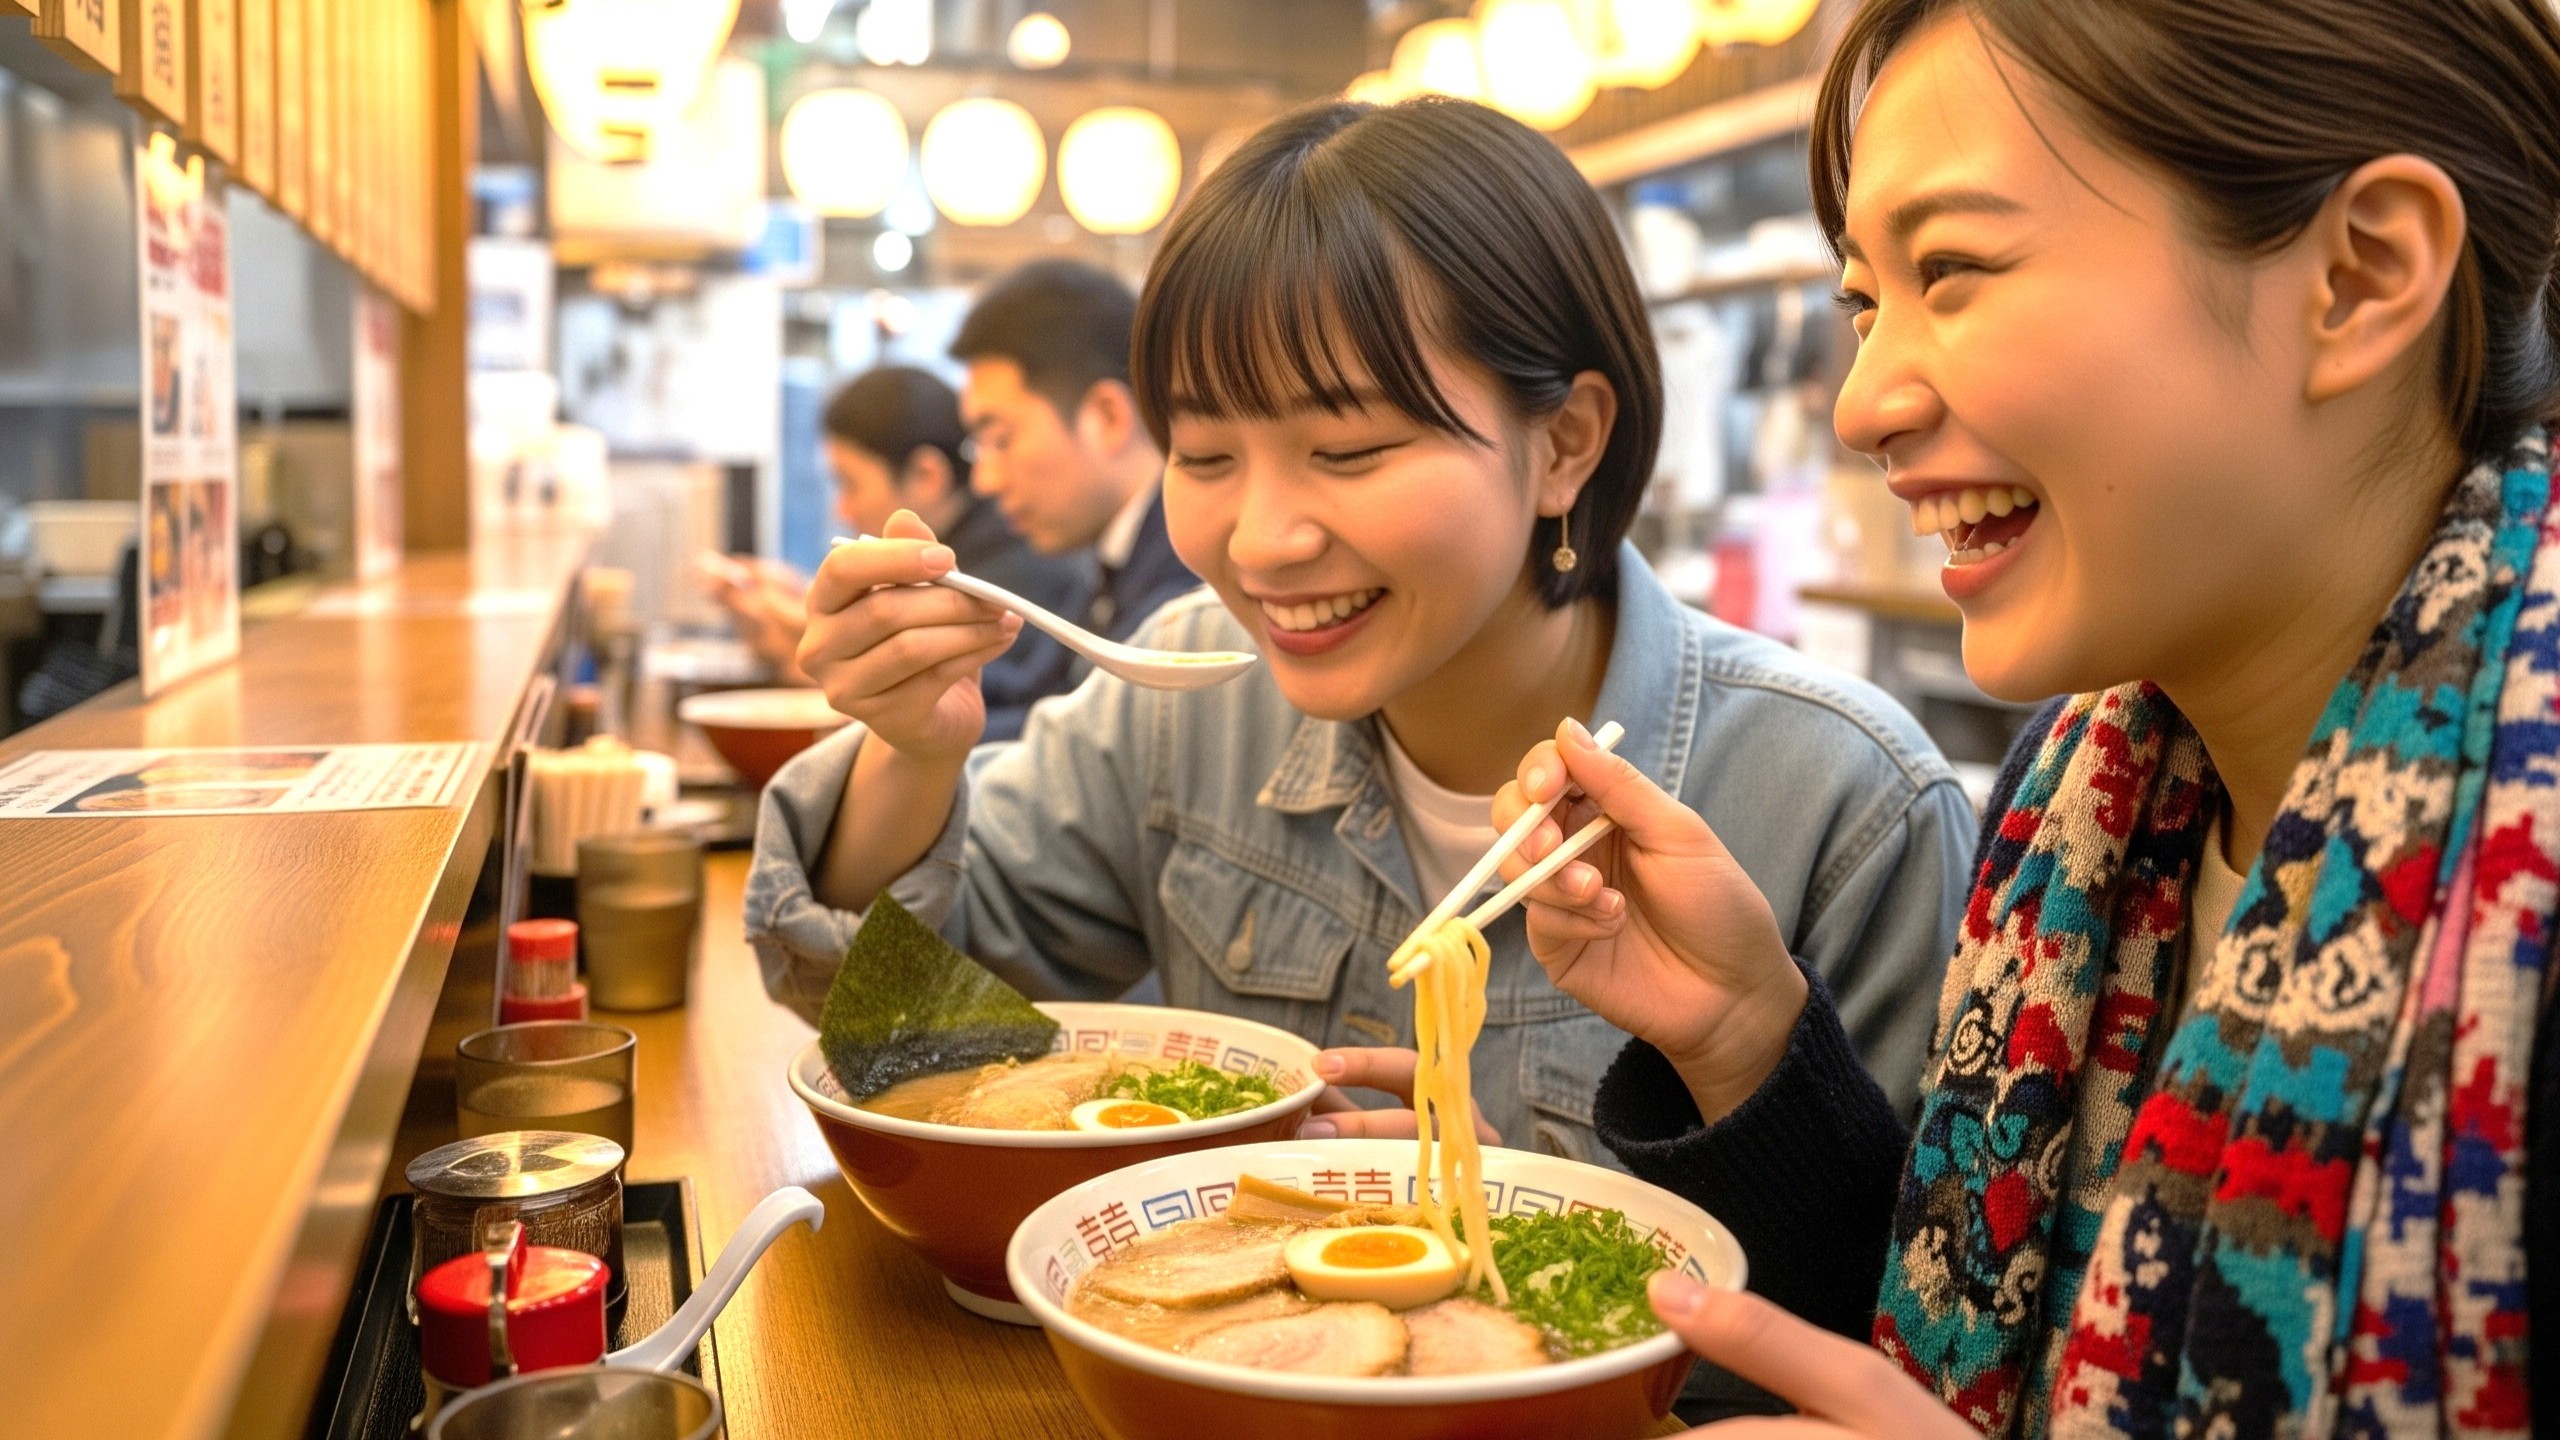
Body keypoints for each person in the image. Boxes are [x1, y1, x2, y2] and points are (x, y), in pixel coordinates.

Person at [1395, 1, 2560, 1434]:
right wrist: (1749, 1047)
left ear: (2362, 277)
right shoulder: (2090, 806)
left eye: (1954, 268)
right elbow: (1944, 1372)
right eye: (1864, 302)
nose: (1864, 402)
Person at [744, 96, 1975, 1163]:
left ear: (1563, 443)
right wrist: (911, 747)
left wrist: (1529, 1233)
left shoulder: (1836, 804)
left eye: (1350, 450)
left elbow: (1901, 1329)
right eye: (1205, 453)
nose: (1263, 539)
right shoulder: (1185, 696)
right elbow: (891, 1023)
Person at [704, 367, 1083, 742]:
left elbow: (996, 714)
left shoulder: (1011, 576)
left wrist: (805, 634)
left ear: (925, 476)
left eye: (849, 483)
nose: (841, 508)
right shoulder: (969, 556)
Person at [949, 259, 1199, 644]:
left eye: (1000, 440)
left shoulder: (1186, 580)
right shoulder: (1116, 557)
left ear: (1108, 417)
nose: (985, 481)